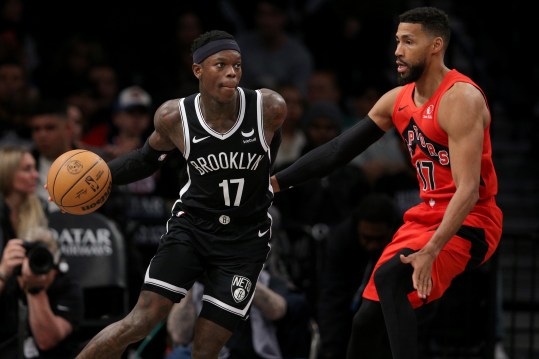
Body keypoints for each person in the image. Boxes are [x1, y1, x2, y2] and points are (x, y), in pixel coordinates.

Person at [270, 7, 503, 359]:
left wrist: (432, 249)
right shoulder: (397, 100)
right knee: (365, 321)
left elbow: (469, 190)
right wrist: (274, 182)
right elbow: (336, 151)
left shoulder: (461, 99)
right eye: (397, 41)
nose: (397, 50)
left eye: (409, 42)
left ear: (436, 45)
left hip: (472, 220)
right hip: (424, 217)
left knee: (392, 276)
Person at [74, 29, 286, 358]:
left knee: (206, 349)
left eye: (238, 65)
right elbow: (146, 160)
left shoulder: (268, 107)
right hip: (193, 229)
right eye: (221, 64)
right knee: (139, 322)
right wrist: (100, 177)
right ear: (197, 70)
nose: (232, 72)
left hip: (244, 241)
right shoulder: (174, 116)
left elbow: (269, 155)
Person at [317, 193, 400, 359]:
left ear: (391, 230)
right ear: (358, 227)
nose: (372, 245)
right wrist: (331, 349)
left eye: (378, 239)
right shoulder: (341, 239)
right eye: (367, 238)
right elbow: (333, 295)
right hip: (346, 307)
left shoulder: (401, 242)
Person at [0, 226, 83, 359]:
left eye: (43, 260)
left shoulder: (67, 286)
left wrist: (35, 289)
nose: (35, 266)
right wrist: (3, 273)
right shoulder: (9, 278)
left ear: (55, 264)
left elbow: (46, 340)